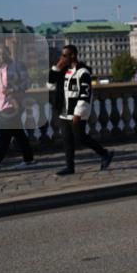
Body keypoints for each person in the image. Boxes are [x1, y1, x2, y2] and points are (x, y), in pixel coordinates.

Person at [48, 45, 113, 176]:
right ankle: (69, 167)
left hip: (76, 112)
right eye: (61, 55)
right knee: (67, 140)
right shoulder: (63, 71)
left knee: (80, 137)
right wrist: (57, 67)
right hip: (63, 111)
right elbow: (49, 84)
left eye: (65, 56)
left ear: (73, 55)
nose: (62, 58)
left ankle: (105, 153)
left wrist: (78, 112)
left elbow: (85, 93)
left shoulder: (83, 72)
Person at [0, 45, 36, 170]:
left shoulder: (17, 65)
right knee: (18, 133)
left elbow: (27, 82)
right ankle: (29, 160)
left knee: (4, 133)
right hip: (2, 106)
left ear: (8, 53)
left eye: (3, 53)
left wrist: (12, 89)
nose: (1, 56)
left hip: (14, 104)